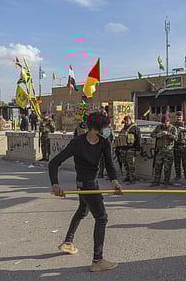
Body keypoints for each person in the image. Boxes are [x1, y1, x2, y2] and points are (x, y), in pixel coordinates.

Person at [49, 112, 122, 272]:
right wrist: (55, 184)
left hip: (89, 184)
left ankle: (68, 242)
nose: (107, 130)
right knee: (101, 218)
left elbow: (109, 164)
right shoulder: (77, 143)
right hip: (86, 185)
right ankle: (97, 260)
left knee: (82, 210)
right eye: (104, 127)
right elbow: (54, 163)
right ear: (95, 129)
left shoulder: (104, 142)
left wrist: (114, 181)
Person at [150, 115, 177, 186]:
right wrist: (157, 135)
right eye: (163, 123)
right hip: (159, 151)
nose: (164, 125)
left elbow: (176, 138)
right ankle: (156, 181)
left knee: (167, 168)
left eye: (166, 123)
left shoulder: (173, 128)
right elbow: (152, 134)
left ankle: (166, 182)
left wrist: (168, 134)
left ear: (169, 122)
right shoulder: (159, 127)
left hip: (168, 151)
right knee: (157, 167)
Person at [114, 116, 141, 184]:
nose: (126, 122)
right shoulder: (123, 129)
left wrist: (137, 150)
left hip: (131, 149)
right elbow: (120, 139)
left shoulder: (135, 129)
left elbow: (138, 140)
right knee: (125, 164)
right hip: (123, 149)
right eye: (125, 120)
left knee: (131, 165)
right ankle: (128, 176)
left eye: (127, 120)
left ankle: (132, 178)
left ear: (130, 120)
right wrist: (118, 148)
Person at [172, 111, 186, 181]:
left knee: (185, 162)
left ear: (182, 117)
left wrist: (184, 129)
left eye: (180, 117)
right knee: (177, 162)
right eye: (177, 117)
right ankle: (178, 175)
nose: (179, 118)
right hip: (176, 145)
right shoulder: (173, 125)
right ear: (175, 117)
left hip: (184, 146)